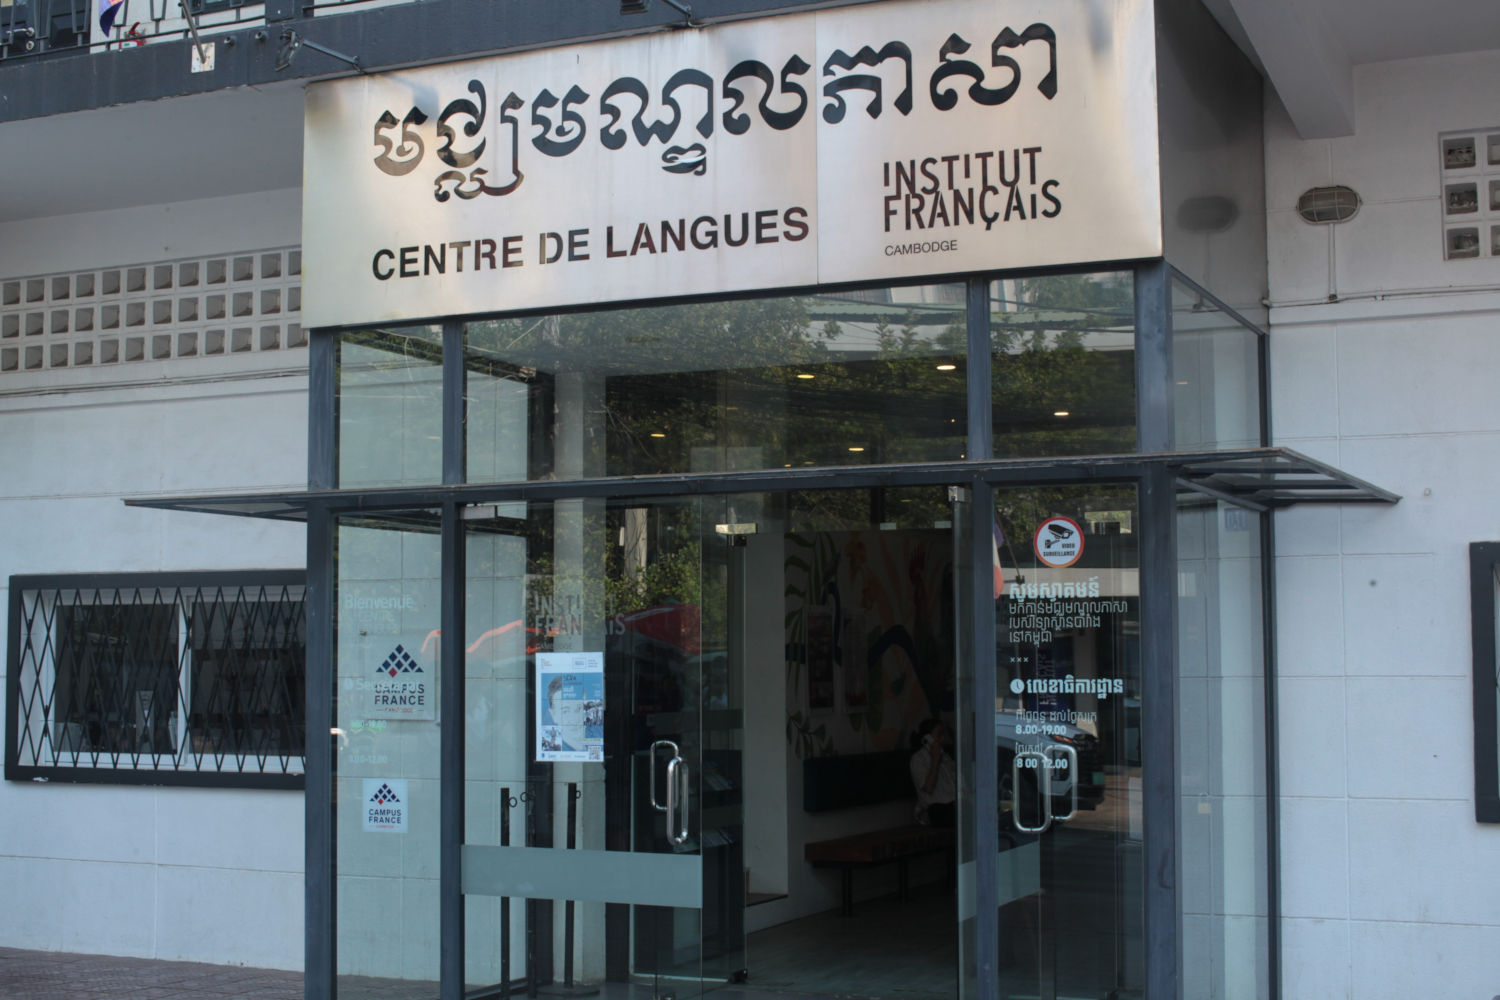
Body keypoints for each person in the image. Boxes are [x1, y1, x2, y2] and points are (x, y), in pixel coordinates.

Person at [909, 718, 957, 828]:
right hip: (936, 810)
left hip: (955, 804)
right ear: (927, 739)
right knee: (944, 811)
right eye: (939, 735)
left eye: (944, 734)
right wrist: (935, 761)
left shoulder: (945, 757)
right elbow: (929, 788)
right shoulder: (917, 760)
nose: (943, 738)